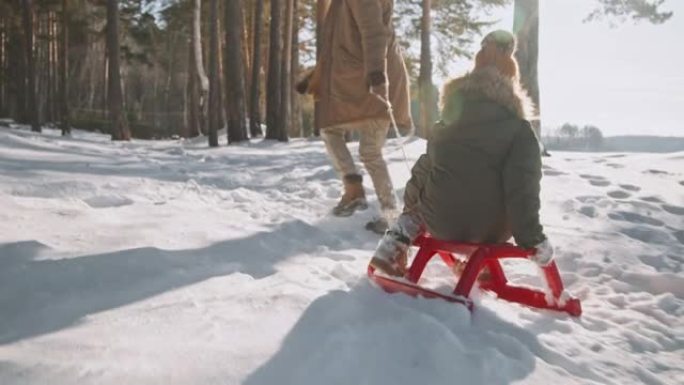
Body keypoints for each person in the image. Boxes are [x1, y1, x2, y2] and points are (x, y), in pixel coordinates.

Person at [369, 30, 553, 276]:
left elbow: (423, 170)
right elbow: (522, 187)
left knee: (427, 187)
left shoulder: (447, 124)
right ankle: (482, 265)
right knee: (487, 200)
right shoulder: (519, 130)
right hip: (491, 231)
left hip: (440, 222)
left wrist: (411, 209)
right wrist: (532, 238)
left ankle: (395, 243)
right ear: (513, 87)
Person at [297, 0, 413, 233]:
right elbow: (337, 45)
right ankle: (377, 204)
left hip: (370, 81)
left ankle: (366, 198)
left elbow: (373, 32)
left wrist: (377, 76)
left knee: (342, 136)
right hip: (362, 79)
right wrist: (316, 75)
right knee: (356, 143)